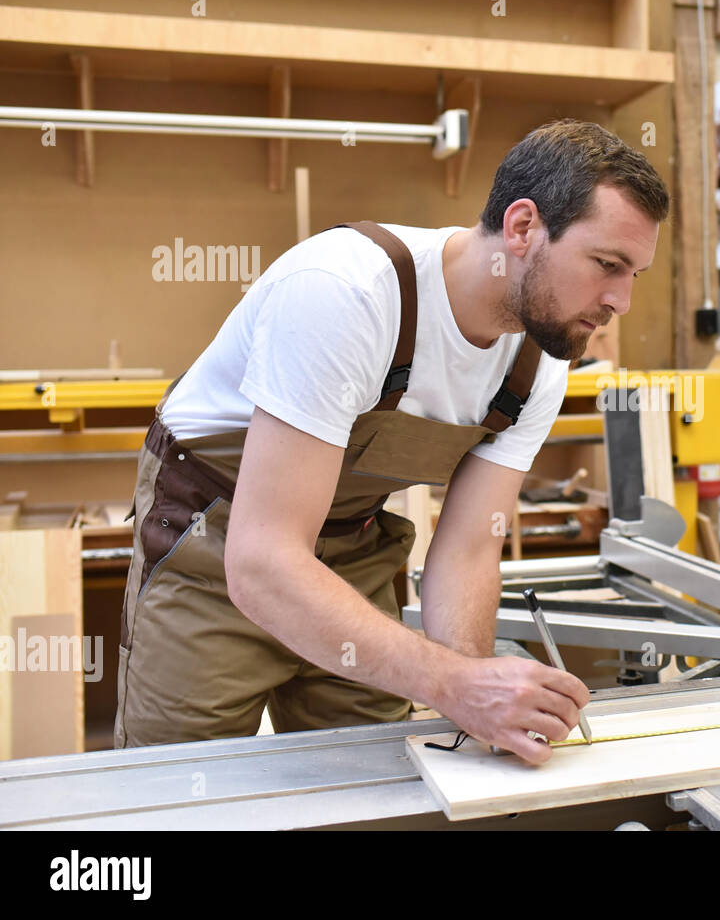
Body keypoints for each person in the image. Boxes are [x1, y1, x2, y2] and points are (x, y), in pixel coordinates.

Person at [114, 119, 670, 764]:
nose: (622, 301)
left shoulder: (537, 362)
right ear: (522, 229)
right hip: (212, 544)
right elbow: (262, 561)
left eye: (636, 274)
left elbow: (467, 551)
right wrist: (449, 682)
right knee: (182, 785)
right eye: (608, 264)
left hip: (352, 552)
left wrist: (476, 699)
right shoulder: (346, 293)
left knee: (374, 776)